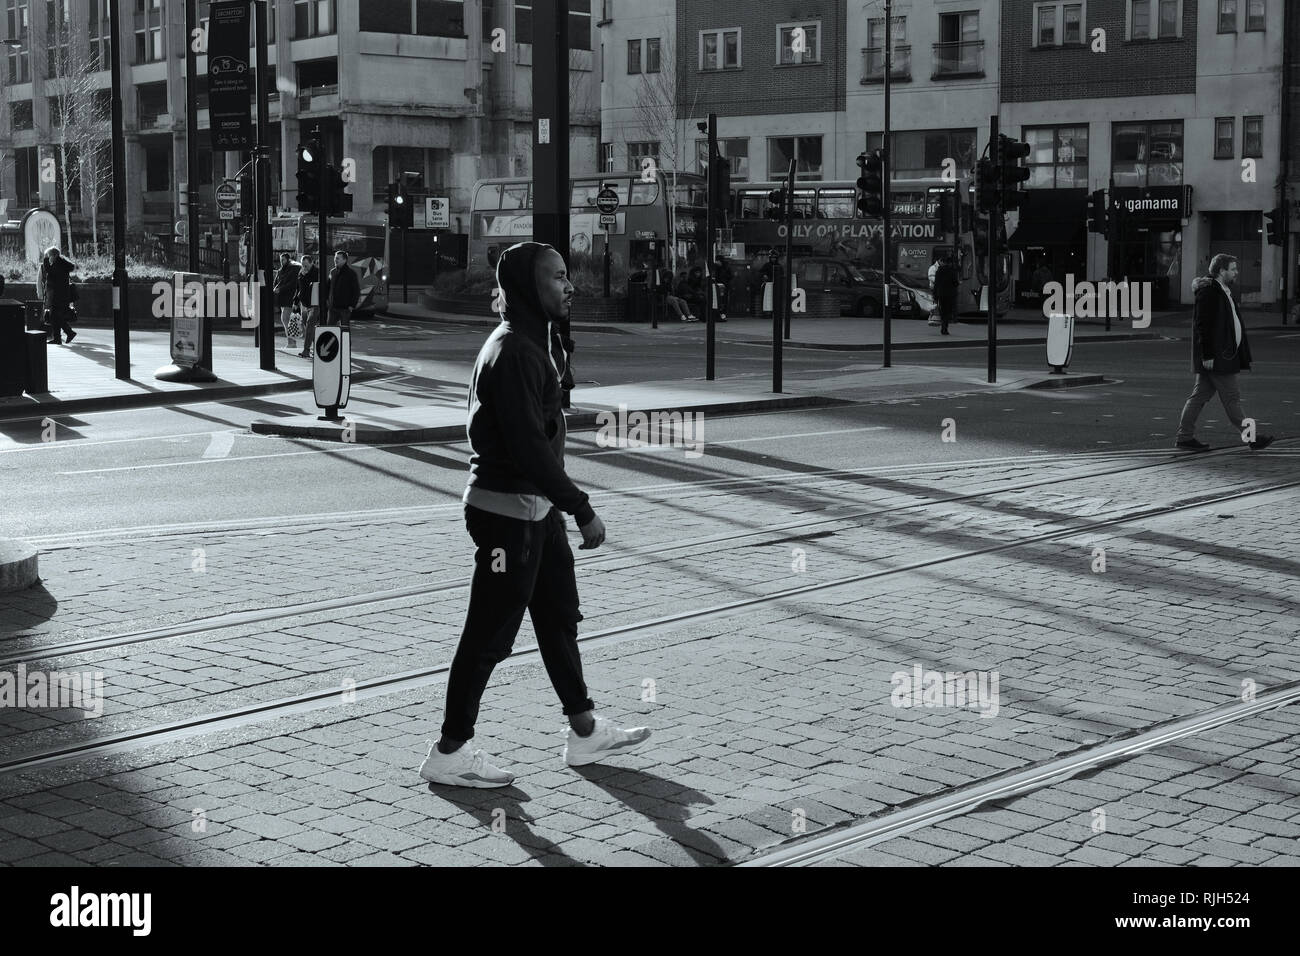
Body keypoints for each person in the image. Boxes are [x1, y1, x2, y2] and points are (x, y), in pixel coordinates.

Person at [418, 241, 651, 788]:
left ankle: (585, 730)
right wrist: (583, 508)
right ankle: (450, 750)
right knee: (489, 636)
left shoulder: (527, 342)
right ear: (528, 287)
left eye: (568, 276)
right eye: (557, 278)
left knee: (557, 619)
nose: (569, 286)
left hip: (534, 513)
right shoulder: (516, 352)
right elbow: (529, 450)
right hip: (508, 516)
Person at [1175, 254, 1273, 452]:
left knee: (1199, 396)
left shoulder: (1222, 290)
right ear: (1221, 271)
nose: (1236, 272)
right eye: (1233, 269)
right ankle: (1252, 438)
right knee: (1232, 398)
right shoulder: (1209, 292)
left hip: (1223, 354)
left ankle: (1184, 438)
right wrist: (1208, 355)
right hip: (1217, 356)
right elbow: (1202, 325)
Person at [38, 246, 77, 345]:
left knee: (55, 316)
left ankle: (67, 333)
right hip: (60, 295)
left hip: (59, 295)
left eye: (49, 256)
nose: (48, 258)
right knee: (55, 316)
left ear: (54, 256)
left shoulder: (58, 264)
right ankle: (59, 337)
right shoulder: (60, 263)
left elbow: (49, 271)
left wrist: (45, 260)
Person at [326, 249, 360, 327]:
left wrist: (352, 305)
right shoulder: (332, 272)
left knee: (344, 331)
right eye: (335, 258)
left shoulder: (351, 273)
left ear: (344, 260)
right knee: (330, 329)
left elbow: (356, 291)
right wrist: (327, 300)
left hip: (345, 309)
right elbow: (328, 286)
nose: (335, 260)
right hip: (333, 307)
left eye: (338, 258)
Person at [274, 252, 301, 350]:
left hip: (289, 297)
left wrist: (280, 289)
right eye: (281, 260)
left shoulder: (292, 270)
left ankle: (291, 342)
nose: (282, 262)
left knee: (285, 318)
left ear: (288, 260)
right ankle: (291, 342)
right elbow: (276, 282)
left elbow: (292, 284)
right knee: (286, 319)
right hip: (282, 298)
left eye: (283, 260)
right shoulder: (280, 270)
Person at [295, 253, 319, 358]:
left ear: (311, 263)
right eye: (302, 265)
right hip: (304, 303)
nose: (304, 267)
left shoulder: (316, 272)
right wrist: (295, 301)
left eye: (306, 265)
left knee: (310, 325)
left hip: (314, 303)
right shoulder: (301, 272)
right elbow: (298, 287)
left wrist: (305, 276)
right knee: (308, 326)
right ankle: (318, 347)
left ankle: (306, 350)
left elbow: (313, 284)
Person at [933, 254, 959, 335]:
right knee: (947, 312)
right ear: (949, 263)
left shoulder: (938, 271)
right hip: (950, 295)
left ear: (943, 262)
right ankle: (944, 328)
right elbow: (955, 283)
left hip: (941, 294)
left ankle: (943, 327)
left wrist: (935, 296)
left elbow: (936, 284)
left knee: (943, 311)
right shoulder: (952, 271)